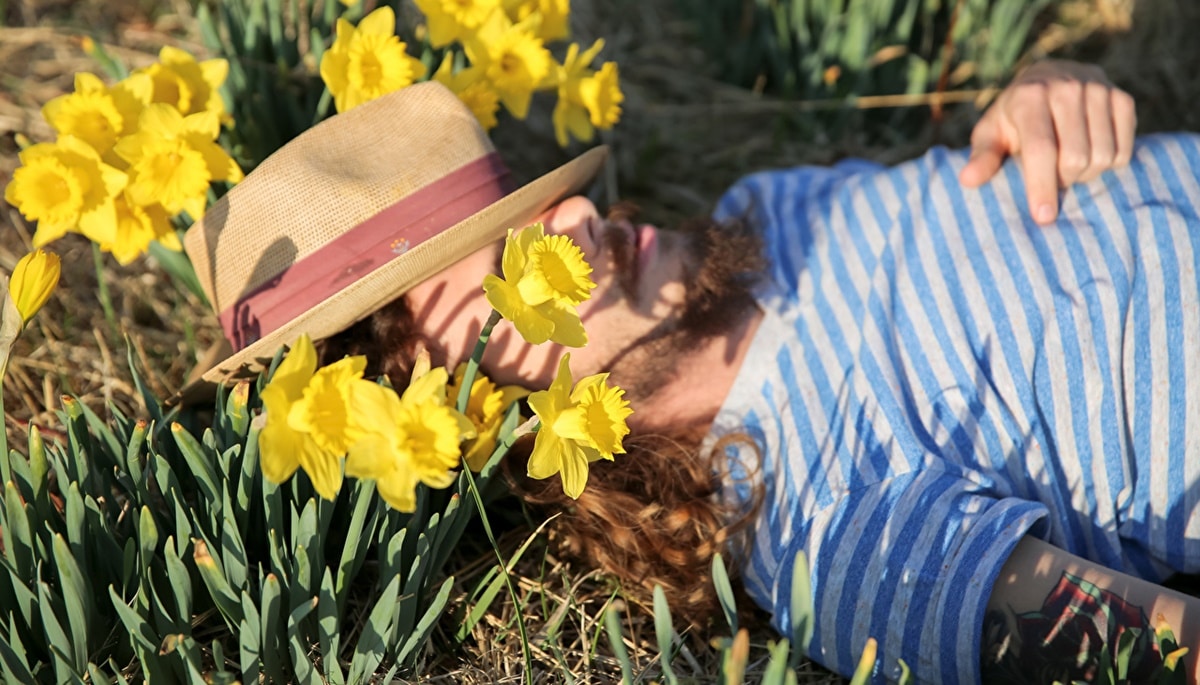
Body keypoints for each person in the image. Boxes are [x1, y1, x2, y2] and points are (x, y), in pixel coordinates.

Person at [185, 58, 1200, 683]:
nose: (584, 215)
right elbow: (1155, 649)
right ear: (459, 410)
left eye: (540, 203)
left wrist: (1051, 87)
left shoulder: (766, 204)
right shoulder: (822, 526)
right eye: (516, 265)